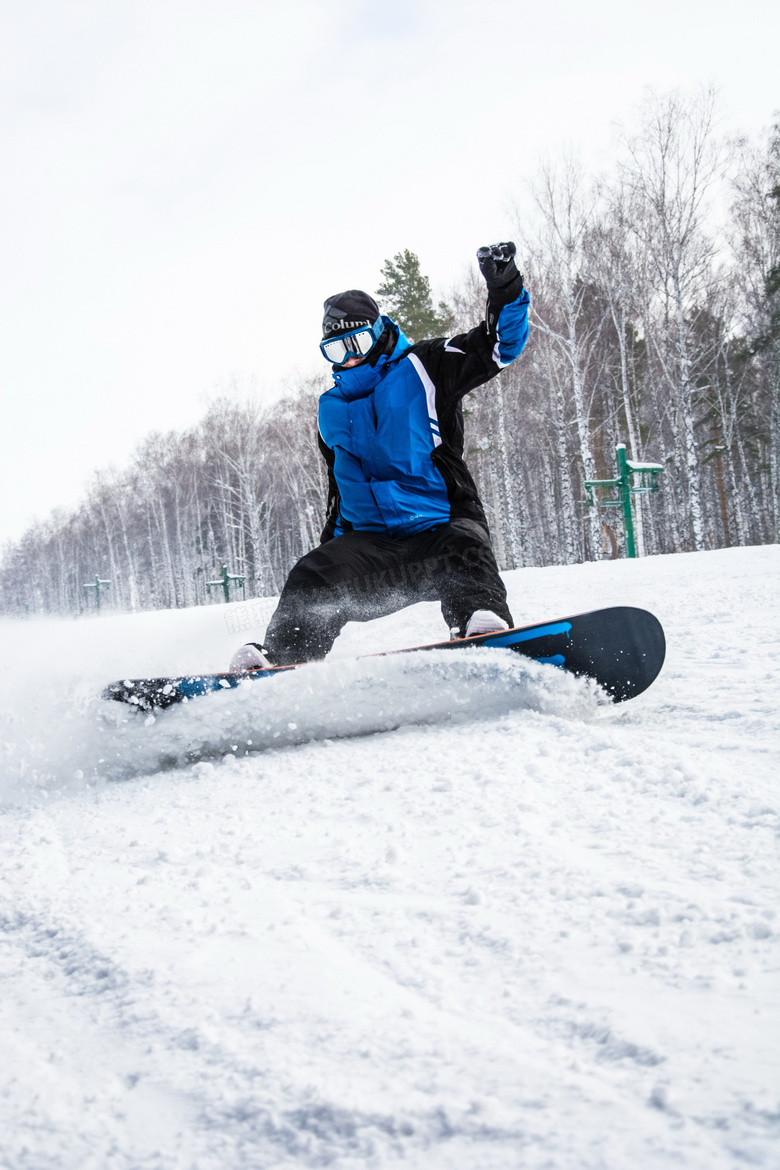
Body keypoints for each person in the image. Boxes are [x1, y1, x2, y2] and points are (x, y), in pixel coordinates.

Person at [229, 241, 530, 671]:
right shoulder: (330, 410)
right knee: (312, 574)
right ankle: (281, 663)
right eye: (336, 351)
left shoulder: (427, 366)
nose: (349, 358)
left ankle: (480, 627)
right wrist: (332, 556)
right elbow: (339, 490)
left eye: (358, 343)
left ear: (379, 333)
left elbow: (501, 347)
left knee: (467, 549)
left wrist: (504, 288)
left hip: (439, 530)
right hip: (375, 549)